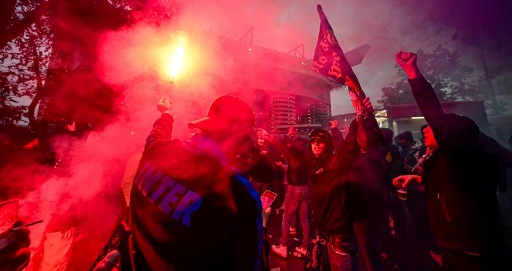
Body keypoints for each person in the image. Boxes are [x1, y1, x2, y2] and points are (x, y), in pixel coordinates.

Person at [393, 51, 512, 270]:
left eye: (437, 128)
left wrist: (412, 73)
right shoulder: (451, 162)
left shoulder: (462, 158)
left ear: (452, 137)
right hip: (456, 248)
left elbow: (434, 113)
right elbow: (450, 186)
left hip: (471, 252)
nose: (427, 129)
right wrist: (417, 180)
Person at [129, 95, 263, 270]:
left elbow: (155, 136)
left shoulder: (157, 150)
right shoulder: (239, 194)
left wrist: (166, 114)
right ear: (238, 140)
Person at [305, 96, 386, 271]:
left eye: (320, 142)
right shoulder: (311, 165)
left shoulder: (337, 162)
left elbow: (349, 145)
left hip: (339, 234)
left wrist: (360, 116)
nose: (316, 145)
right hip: (322, 231)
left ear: (327, 144)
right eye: (313, 142)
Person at [269, 126, 311, 258]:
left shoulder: (293, 154)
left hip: (294, 188)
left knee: (286, 217)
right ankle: (304, 247)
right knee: (304, 220)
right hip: (305, 188)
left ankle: (284, 246)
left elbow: (281, 147)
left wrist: (270, 137)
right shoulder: (306, 156)